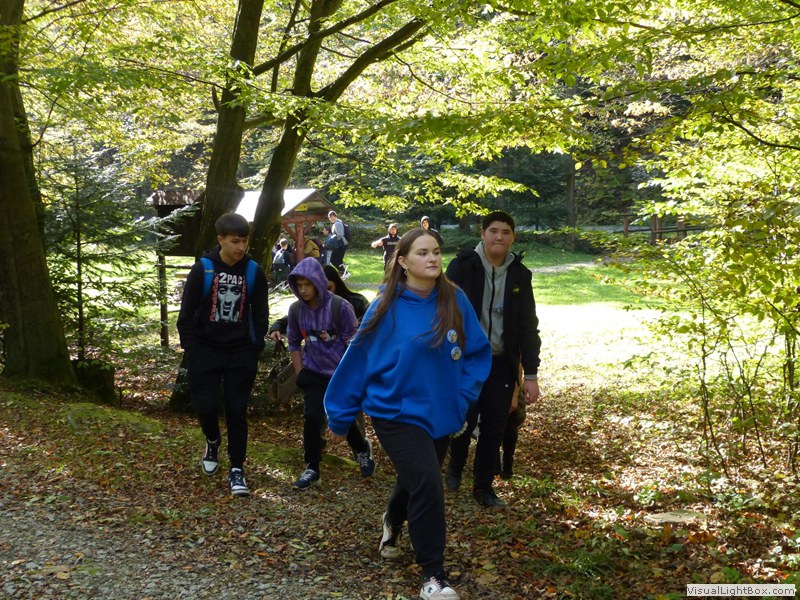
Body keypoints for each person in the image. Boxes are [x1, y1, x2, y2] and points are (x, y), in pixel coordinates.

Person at [324, 228, 491, 600]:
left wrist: (463, 397)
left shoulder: (454, 299)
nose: (432, 258)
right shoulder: (385, 306)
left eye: (436, 252)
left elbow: (477, 353)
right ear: (402, 261)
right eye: (422, 253)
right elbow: (357, 361)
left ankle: (392, 519)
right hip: (395, 413)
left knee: (417, 478)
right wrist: (339, 416)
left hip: (442, 413)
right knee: (428, 483)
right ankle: (434, 576)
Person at [443, 210, 541, 509]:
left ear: (513, 237)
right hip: (466, 362)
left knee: (495, 427)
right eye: (494, 231)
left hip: (501, 363)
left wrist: (531, 374)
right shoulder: (462, 266)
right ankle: (455, 467)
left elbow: (528, 325)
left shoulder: (520, 274)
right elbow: (443, 312)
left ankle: (483, 487)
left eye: (506, 232)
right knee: (464, 419)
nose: (499, 237)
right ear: (483, 233)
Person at [176, 212, 269, 498]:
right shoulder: (203, 270)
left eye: (244, 241)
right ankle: (213, 440)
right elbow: (185, 315)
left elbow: (261, 315)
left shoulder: (253, 272)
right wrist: (191, 349)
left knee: (237, 411)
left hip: (240, 353)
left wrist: (254, 347)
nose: (241, 247)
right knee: (205, 406)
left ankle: (237, 468)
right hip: (205, 350)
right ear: (220, 240)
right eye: (235, 241)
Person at [285, 257, 375, 491]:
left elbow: (353, 344)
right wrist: (300, 372)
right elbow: (293, 342)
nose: (303, 290)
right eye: (299, 285)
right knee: (312, 417)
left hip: (340, 373)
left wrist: (352, 377)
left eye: (308, 284)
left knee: (342, 416)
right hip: (313, 372)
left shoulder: (340, 307)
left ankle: (361, 449)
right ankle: (312, 467)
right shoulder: (296, 310)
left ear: (318, 282)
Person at [268, 264, 370, 341]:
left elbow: (372, 326)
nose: (324, 294)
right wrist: (276, 328)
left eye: (328, 288)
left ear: (337, 284)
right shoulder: (308, 306)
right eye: (319, 290)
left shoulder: (357, 303)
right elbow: (288, 320)